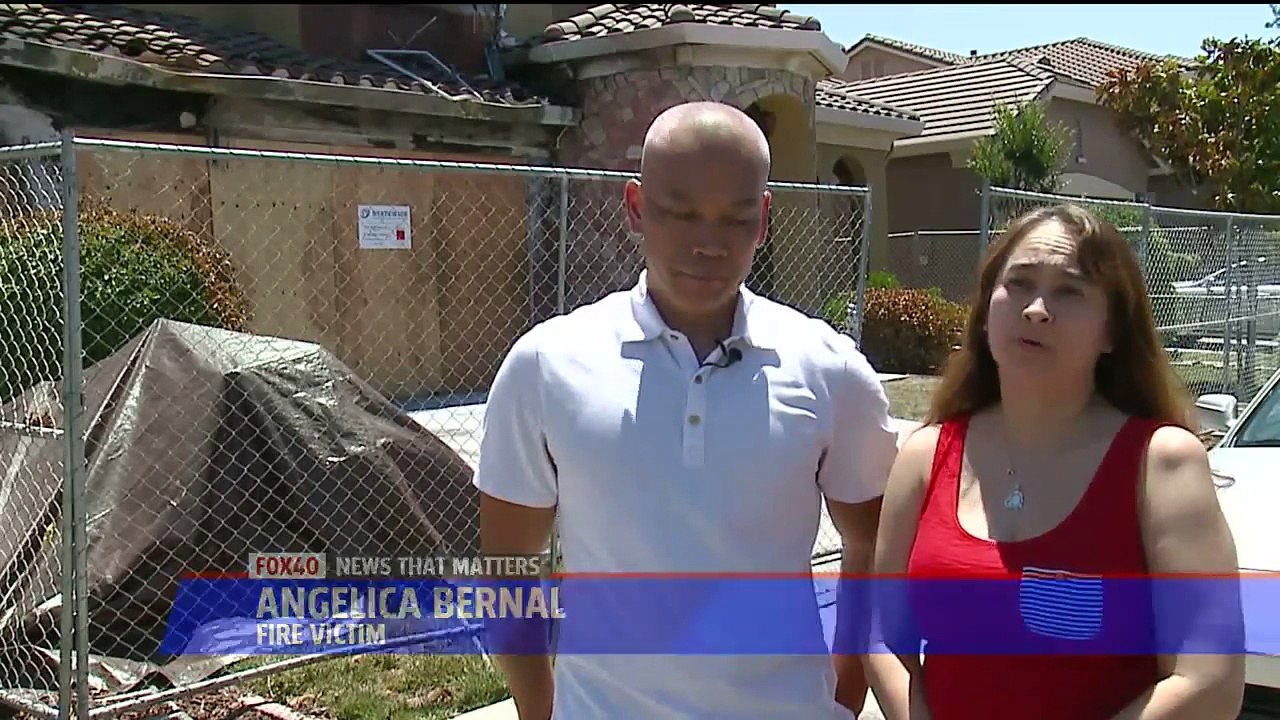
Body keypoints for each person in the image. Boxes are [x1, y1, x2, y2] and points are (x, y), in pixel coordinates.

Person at [472, 100, 900, 719]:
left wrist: (845, 696)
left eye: (736, 219)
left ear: (764, 220)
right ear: (636, 207)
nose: (708, 244)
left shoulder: (830, 370)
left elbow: (871, 544)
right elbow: (508, 571)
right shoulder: (546, 366)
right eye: (681, 213)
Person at [871, 204, 1246, 719]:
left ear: (1111, 332)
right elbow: (881, 637)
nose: (1036, 309)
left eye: (1070, 291)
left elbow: (1209, 682)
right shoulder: (925, 455)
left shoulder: (1160, 464)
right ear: (986, 310)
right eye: (1019, 284)